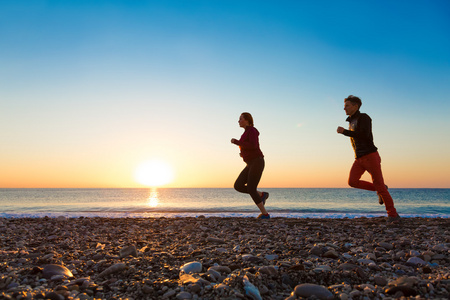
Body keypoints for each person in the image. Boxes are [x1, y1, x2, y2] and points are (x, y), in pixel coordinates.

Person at [337, 95, 400, 223]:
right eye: (344, 106)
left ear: (356, 106)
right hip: (359, 158)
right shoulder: (351, 121)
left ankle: (393, 215)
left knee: (380, 186)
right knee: (352, 182)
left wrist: (345, 132)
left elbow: (364, 135)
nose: (344, 108)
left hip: (370, 156)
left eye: (347, 105)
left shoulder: (364, 117)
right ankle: (380, 189)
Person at [231, 112, 270, 219]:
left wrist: (237, 142)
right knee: (238, 185)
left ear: (247, 120)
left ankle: (265, 214)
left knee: (251, 188)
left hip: (257, 162)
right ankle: (262, 195)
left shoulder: (252, 131)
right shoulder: (245, 133)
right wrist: (243, 153)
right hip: (250, 163)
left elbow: (253, 145)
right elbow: (247, 147)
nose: (238, 121)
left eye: (240, 119)